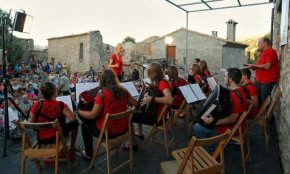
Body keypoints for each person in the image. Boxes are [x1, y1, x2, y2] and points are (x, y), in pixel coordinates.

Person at [77, 69, 138, 159]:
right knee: (126, 115)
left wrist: (79, 111)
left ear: (102, 80)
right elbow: (135, 104)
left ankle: (88, 153)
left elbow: (92, 115)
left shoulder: (102, 94)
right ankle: (133, 142)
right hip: (123, 130)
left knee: (84, 126)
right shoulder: (123, 91)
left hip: (108, 132)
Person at [193, 68, 247, 152]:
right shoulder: (241, 90)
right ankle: (211, 145)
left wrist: (214, 121)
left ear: (230, 79)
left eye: (225, 76)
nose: (223, 78)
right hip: (239, 126)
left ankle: (210, 151)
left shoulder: (234, 96)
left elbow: (233, 118)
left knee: (197, 127)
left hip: (231, 128)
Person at [122, 62, 173, 149]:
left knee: (129, 116)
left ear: (152, 73)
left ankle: (133, 143)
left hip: (156, 117)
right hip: (154, 113)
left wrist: (151, 99)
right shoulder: (156, 82)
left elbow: (169, 100)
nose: (147, 73)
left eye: (148, 71)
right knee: (137, 108)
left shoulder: (162, 83)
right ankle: (140, 132)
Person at [28, 82, 78, 151]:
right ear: (55, 91)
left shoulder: (37, 105)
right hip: (57, 137)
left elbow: (31, 123)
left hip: (41, 139)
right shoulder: (61, 104)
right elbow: (73, 118)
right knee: (75, 123)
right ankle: (72, 146)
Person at [246, 37, 279, 104]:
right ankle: (258, 113)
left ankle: (265, 114)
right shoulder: (263, 53)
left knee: (264, 100)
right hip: (259, 80)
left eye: (260, 42)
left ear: (266, 43)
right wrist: (253, 67)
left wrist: (255, 66)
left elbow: (267, 66)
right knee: (255, 96)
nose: (258, 44)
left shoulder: (271, 51)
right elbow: (259, 66)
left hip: (267, 80)